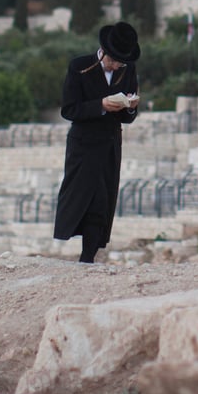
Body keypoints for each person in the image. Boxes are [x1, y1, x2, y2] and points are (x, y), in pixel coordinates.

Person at [53, 22, 141, 262]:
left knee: (102, 201)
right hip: (83, 144)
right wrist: (101, 105)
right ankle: (78, 251)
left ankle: (88, 257)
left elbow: (128, 116)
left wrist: (130, 107)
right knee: (83, 197)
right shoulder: (80, 67)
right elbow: (69, 109)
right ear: (104, 50)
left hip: (110, 143)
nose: (116, 65)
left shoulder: (127, 70)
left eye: (121, 62)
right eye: (114, 60)